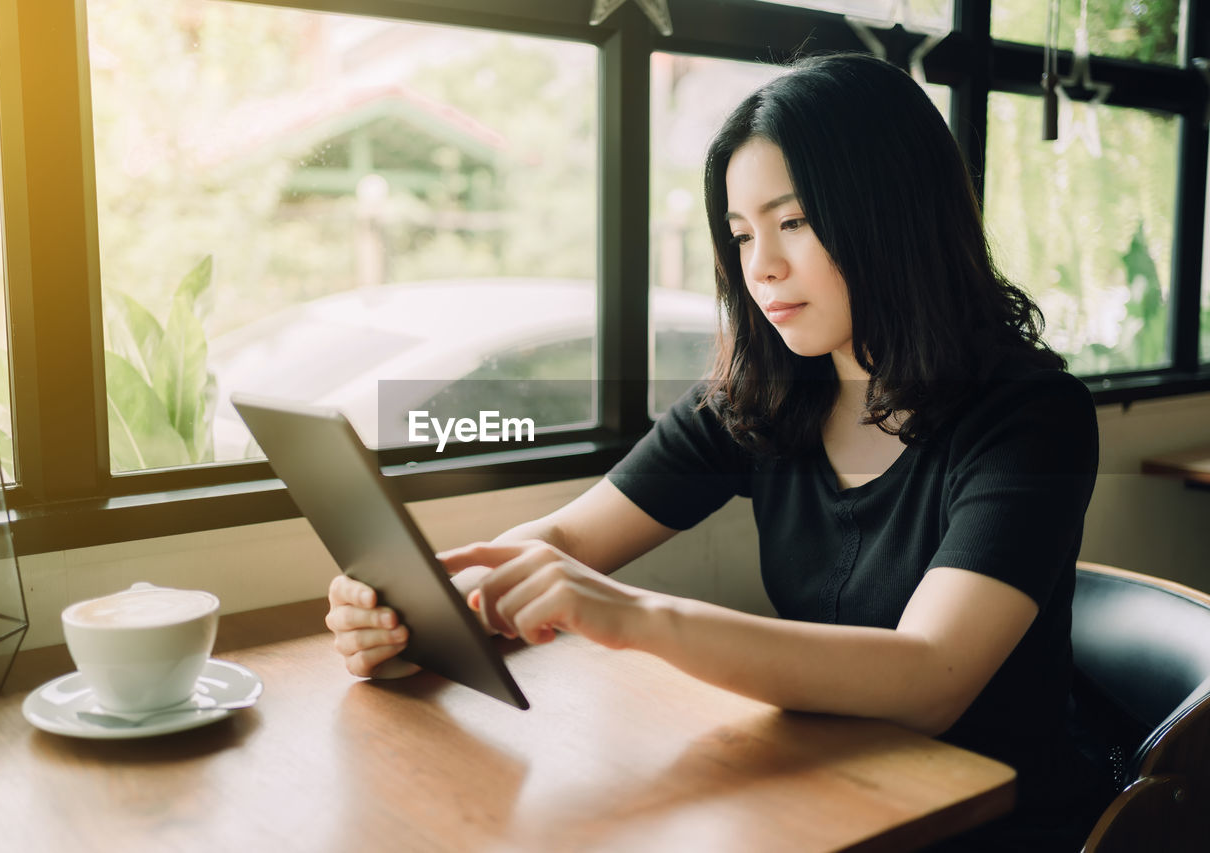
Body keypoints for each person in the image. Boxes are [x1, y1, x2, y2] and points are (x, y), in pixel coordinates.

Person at [325, 52, 1110, 850]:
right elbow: (566, 541)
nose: (762, 266)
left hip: (993, 825)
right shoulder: (765, 400)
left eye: (794, 222)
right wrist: (416, 603)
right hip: (829, 795)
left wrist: (634, 614)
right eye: (742, 234)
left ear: (893, 211)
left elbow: (928, 676)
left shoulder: (1033, 418)